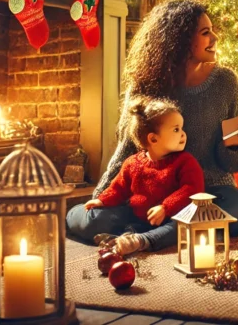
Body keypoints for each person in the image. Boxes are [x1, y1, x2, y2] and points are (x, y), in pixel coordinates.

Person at [67, 0, 238, 242]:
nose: (214, 38)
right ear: (180, 39)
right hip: (152, 194)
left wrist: (236, 146)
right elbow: (129, 146)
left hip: (207, 193)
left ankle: (139, 236)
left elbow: (234, 163)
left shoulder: (225, 82)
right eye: (205, 32)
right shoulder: (147, 84)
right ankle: (160, 232)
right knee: (94, 220)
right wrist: (101, 196)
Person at [81, 96, 204, 254]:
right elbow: (119, 187)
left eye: (181, 128)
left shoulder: (185, 161)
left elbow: (193, 188)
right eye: (176, 129)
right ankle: (125, 236)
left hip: (169, 219)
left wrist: (166, 208)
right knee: (91, 217)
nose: (183, 134)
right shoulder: (133, 163)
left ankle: (140, 241)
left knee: (184, 226)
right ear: (153, 138)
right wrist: (102, 200)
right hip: (136, 217)